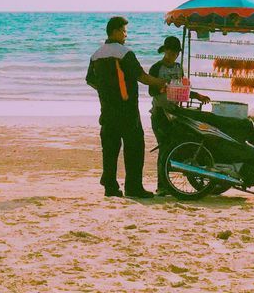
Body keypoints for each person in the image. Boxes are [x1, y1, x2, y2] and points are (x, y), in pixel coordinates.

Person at [85, 15, 168, 198]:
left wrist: (106, 91)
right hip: (127, 109)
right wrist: (162, 83)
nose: (125, 35)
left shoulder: (96, 54)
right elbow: (142, 76)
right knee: (135, 147)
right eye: (124, 31)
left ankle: (110, 187)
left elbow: (90, 79)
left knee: (110, 149)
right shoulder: (124, 53)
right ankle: (133, 187)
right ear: (114, 32)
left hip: (107, 109)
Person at [149, 35, 210, 194]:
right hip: (160, 112)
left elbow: (183, 90)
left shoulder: (178, 68)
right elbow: (151, 91)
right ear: (165, 51)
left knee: (175, 147)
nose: (174, 55)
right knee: (164, 148)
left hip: (176, 113)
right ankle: (162, 186)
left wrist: (197, 96)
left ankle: (168, 182)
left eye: (176, 53)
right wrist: (163, 88)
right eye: (171, 52)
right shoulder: (156, 68)